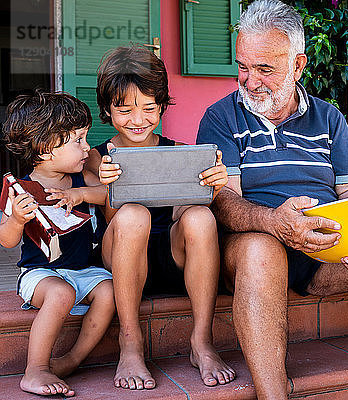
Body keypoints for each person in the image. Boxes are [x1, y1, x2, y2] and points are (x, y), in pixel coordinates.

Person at [196, 1, 348, 399]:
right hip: (253, 248)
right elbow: (224, 202)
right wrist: (276, 223)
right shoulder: (220, 118)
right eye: (243, 66)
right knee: (262, 250)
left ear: (298, 66)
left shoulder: (329, 118)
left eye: (265, 69)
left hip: (324, 254)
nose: (250, 81)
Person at [85, 45, 235, 391]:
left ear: (162, 106)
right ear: (107, 110)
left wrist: (212, 186)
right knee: (133, 214)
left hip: (174, 256)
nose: (137, 120)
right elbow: (110, 219)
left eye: (149, 108)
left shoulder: (181, 152)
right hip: (122, 259)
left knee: (200, 217)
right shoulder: (96, 159)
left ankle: (202, 341)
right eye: (124, 110)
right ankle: (131, 342)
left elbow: (193, 210)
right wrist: (109, 185)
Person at [0, 92, 114, 397]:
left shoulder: (83, 179)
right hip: (40, 273)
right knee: (61, 293)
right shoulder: (22, 190)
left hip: (84, 269)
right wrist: (16, 221)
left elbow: (109, 195)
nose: (88, 147)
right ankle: (35, 370)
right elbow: (7, 240)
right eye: (78, 140)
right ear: (47, 148)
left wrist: (80, 196)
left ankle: (71, 360)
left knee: (111, 292)